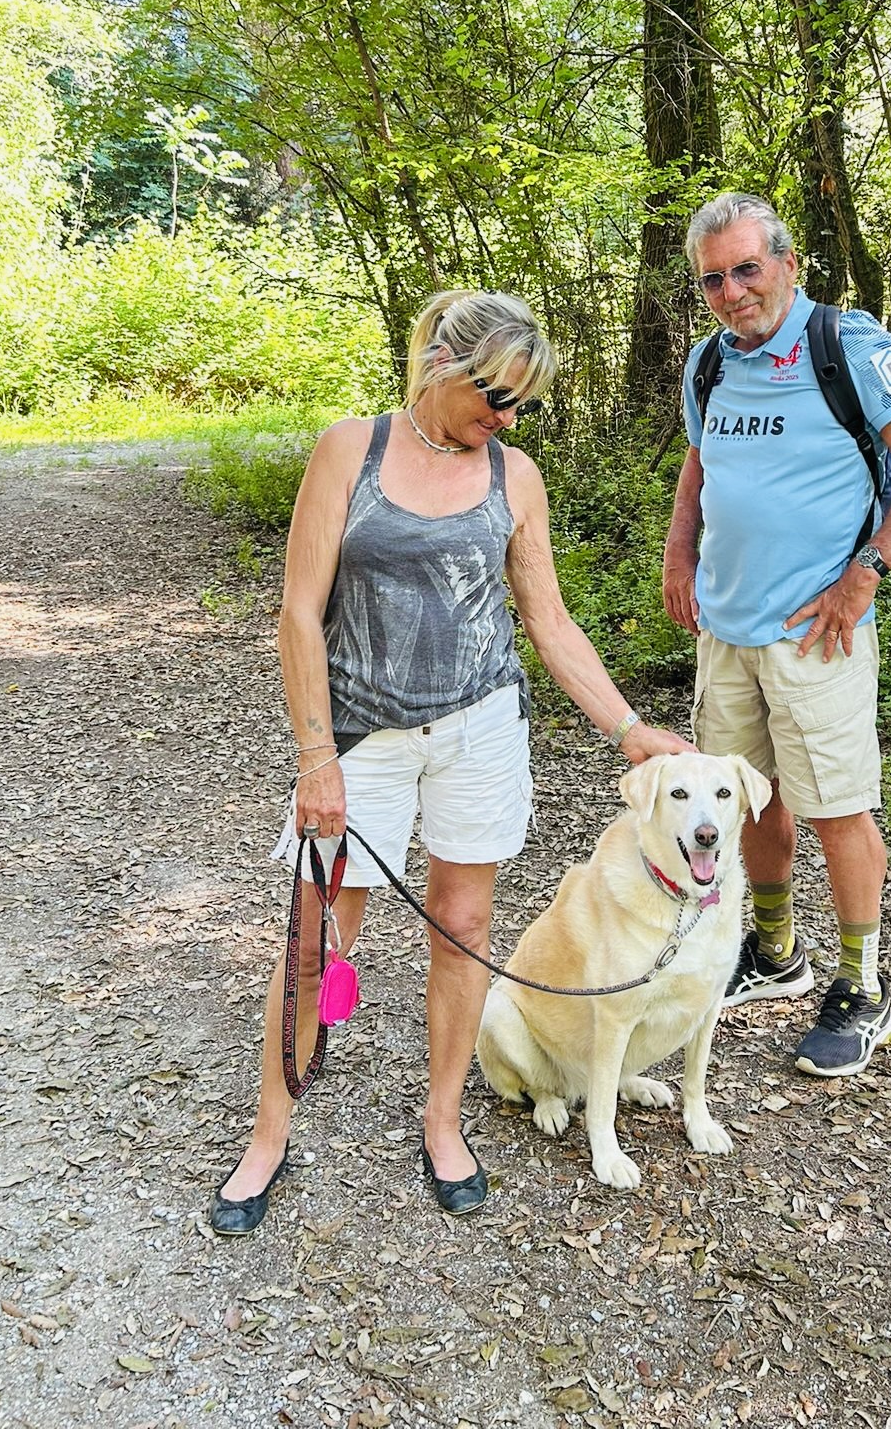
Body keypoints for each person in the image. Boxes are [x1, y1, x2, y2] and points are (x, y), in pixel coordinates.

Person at [211, 289, 694, 1231]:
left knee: (463, 924)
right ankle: (269, 1137)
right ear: (439, 362)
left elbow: (547, 623)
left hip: (478, 727)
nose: (504, 418)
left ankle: (442, 1121)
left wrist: (628, 728)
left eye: (522, 404)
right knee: (317, 938)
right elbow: (298, 614)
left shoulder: (516, 476)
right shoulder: (352, 448)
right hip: (361, 732)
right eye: (493, 394)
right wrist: (318, 759)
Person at [662, 193, 891, 1077]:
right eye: (713, 279)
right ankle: (772, 952)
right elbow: (700, 460)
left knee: (836, 806)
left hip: (817, 632)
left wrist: (864, 572)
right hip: (726, 626)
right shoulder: (709, 364)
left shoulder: (849, 346)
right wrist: (679, 554)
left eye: (747, 269)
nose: (731, 292)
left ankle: (863, 988)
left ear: (788, 264)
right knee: (745, 803)